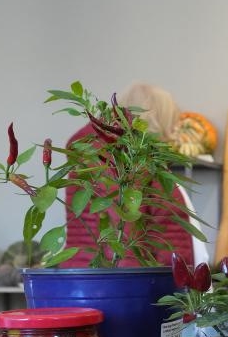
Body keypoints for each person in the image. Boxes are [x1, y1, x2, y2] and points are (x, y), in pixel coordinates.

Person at [61, 82, 204, 269]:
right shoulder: (127, 162)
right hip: (119, 286)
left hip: (85, 279)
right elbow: (124, 243)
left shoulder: (89, 157)